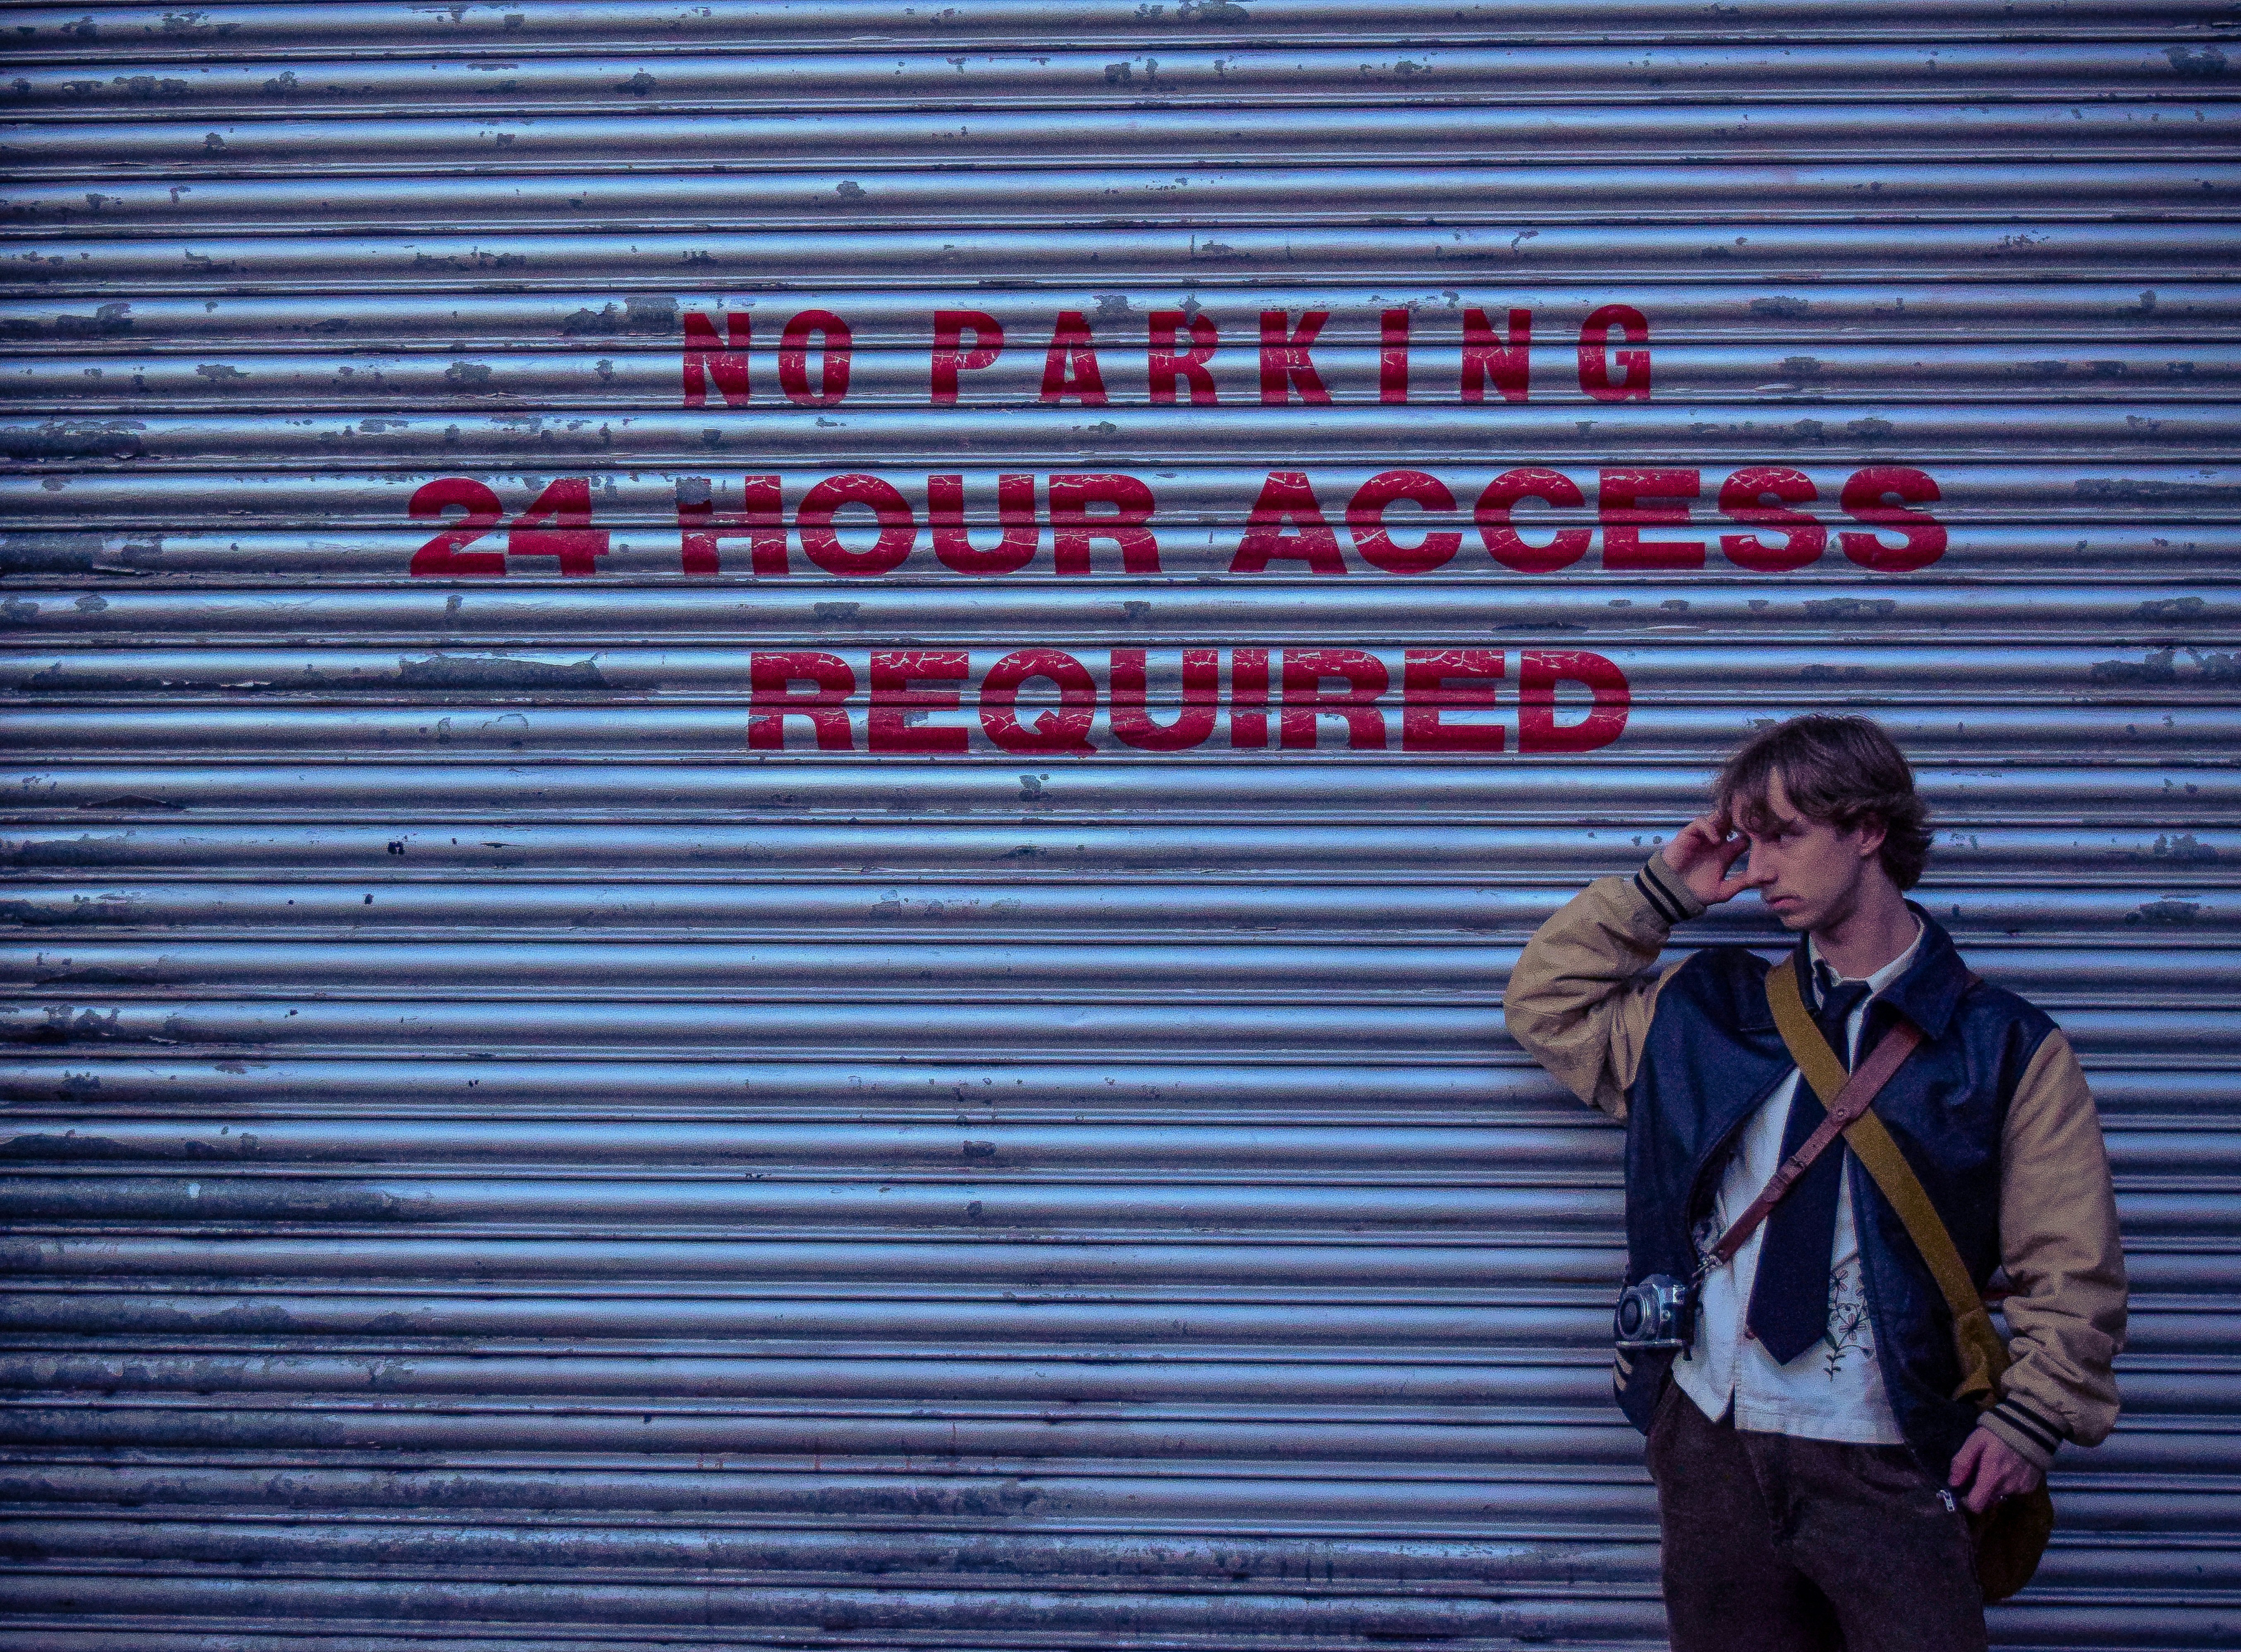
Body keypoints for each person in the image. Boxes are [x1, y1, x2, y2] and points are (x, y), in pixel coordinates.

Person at [1503, 714, 2126, 1652]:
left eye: (1785, 837)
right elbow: (1544, 1003)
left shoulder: (2004, 1047)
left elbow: (2074, 1264)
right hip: (1713, 1436)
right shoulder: (1705, 1013)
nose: (1757, 871)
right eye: (1748, 843)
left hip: (1894, 1450)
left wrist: (2035, 1420)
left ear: (1868, 829)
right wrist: (1664, 891)